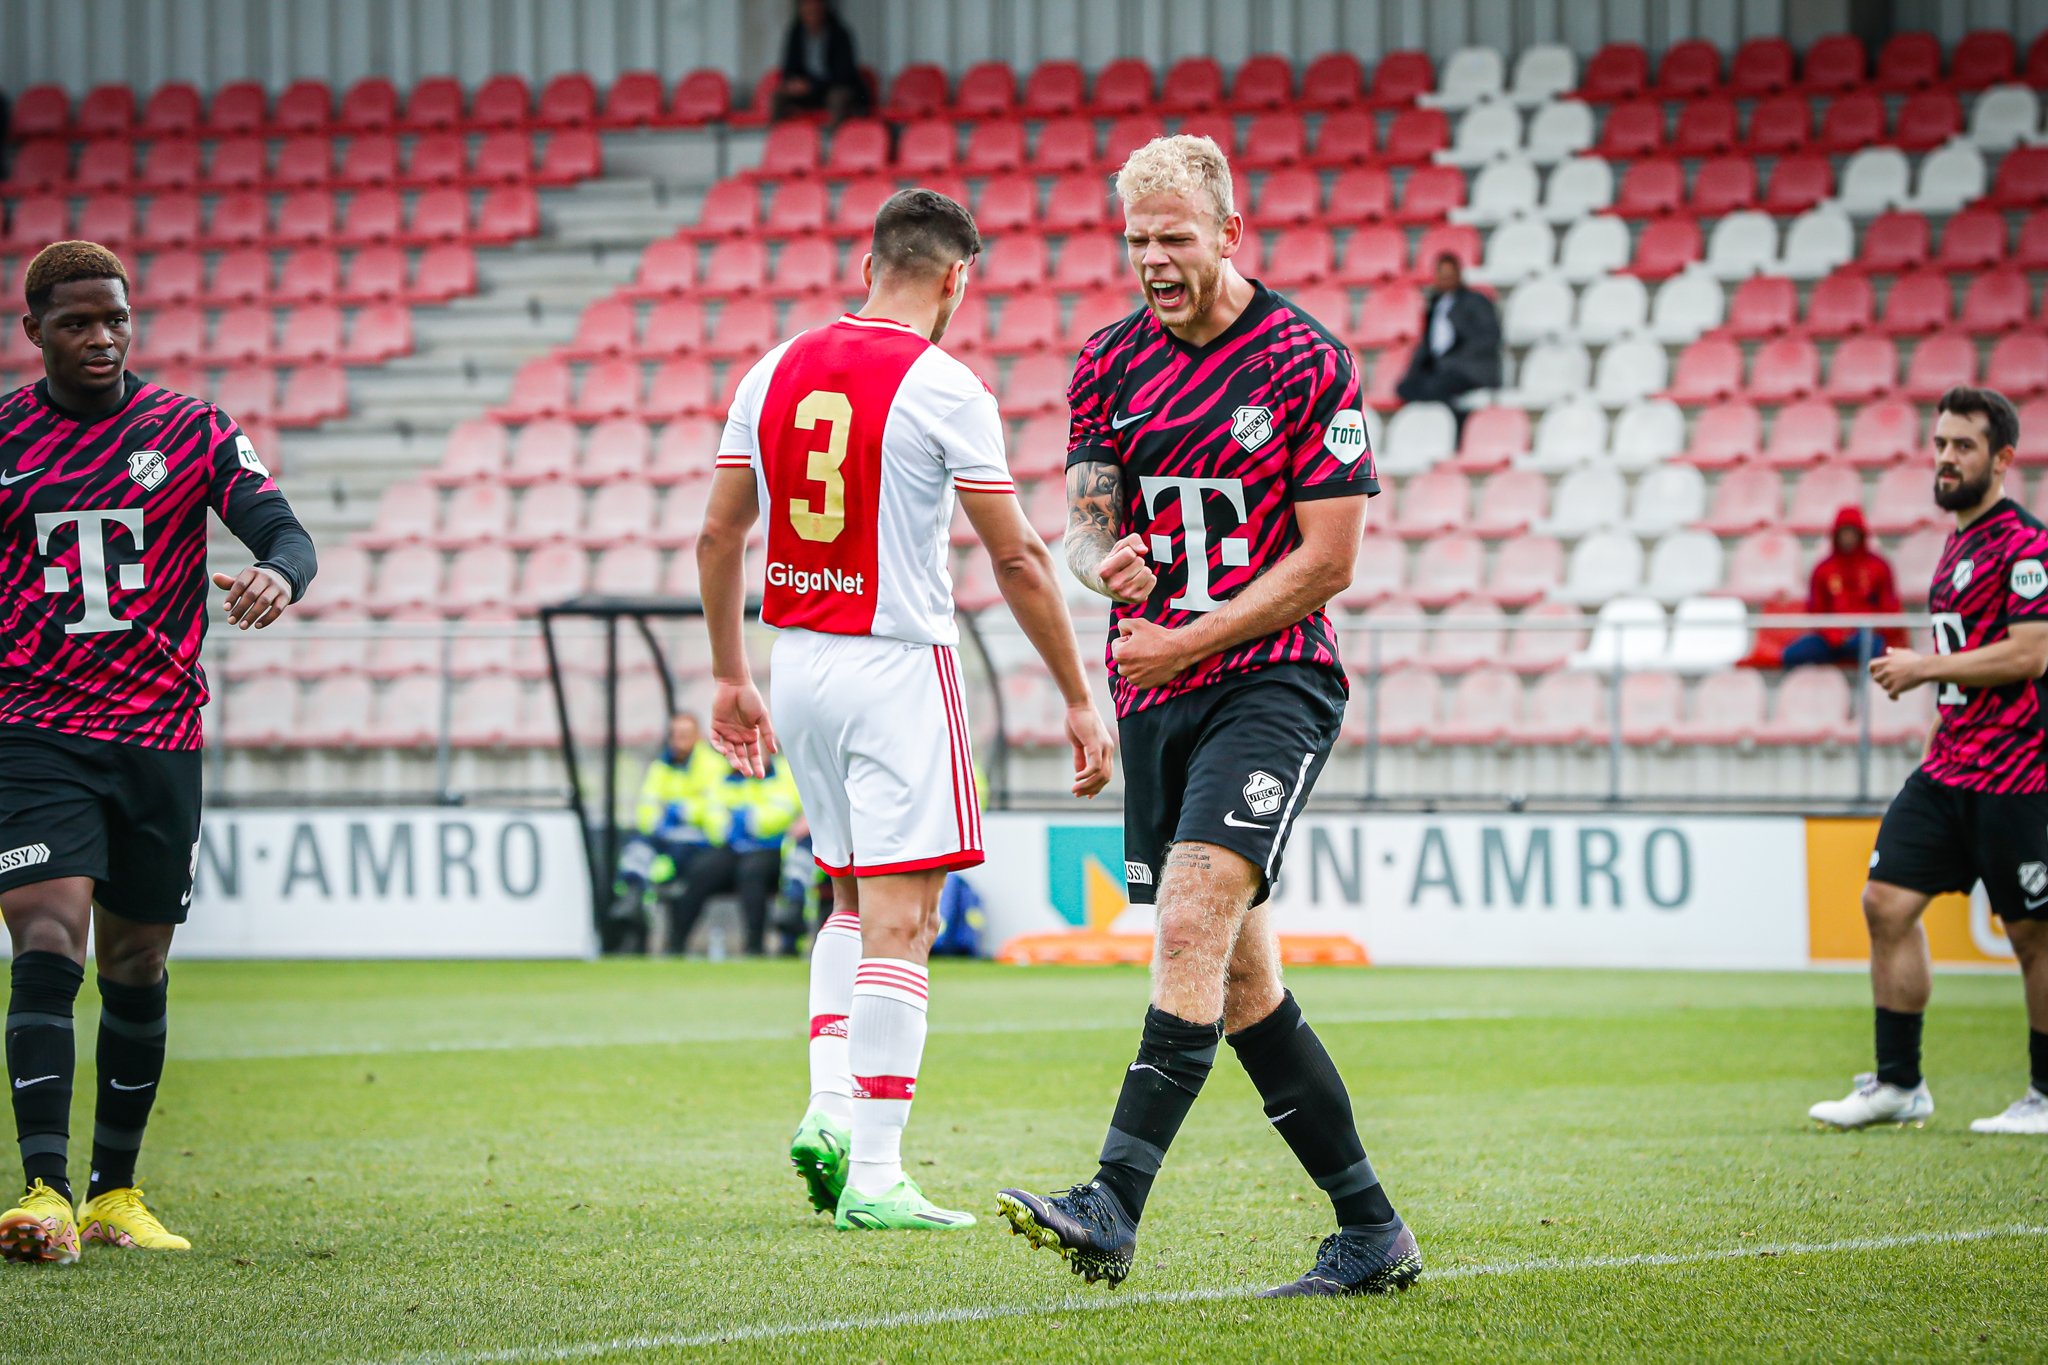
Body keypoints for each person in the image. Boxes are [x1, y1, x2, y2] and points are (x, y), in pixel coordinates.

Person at [994, 135, 1420, 1298]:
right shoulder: (1107, 362)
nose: (1151, 260)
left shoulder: (1304, 361)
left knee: (1187, 922)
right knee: (1238, 987)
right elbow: (1084, 521)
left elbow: (1328, 561)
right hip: (1153, 691)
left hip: (1270, 681)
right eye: (1135, 240)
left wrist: (1188, 635)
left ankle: (1111, 1201)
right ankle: (1370, 1231)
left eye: (1172, 237)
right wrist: (1101, 562)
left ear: (1228, 234)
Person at [698, 188, 1113, 1232]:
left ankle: (829, 1107)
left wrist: (729, 675)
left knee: (847, 896)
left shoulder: (771, 369)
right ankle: (875, 1170)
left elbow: (717, 535)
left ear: (868, 263)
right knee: (906, 918)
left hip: (798, 661)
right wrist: (1077, 695)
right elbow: (1016, 557)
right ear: (956, 278)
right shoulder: (945, 385)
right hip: (895, 665)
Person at [0, 241, 316, 1263]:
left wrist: (277, 574)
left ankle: (115, 1194)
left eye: (116, 319)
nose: (102, 338)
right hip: (34, 729)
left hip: (159, 736)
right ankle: (44, 1192)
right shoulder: (4, 438)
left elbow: (287, 533)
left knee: (137, 960)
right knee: (49, 934)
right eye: (77, 322)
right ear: (34, 331)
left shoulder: (191, 428)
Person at [1810, 386, 2048, 1137]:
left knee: (2033, 935)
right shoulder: (1956, 547)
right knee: (1885, 903)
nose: (1946, 458)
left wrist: (1923, 670)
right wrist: (1935, 726)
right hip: (1949, 766)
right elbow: (1964, 659)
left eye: (1963, 446)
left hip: (2019, 769)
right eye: (1941, 443)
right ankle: (1899, 1083)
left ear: (2002, 458)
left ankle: (2045, 1094)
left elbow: (2030, 653)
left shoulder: (2027, 545)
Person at [605, 711, 729, 954]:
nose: (679, 740)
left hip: (698, 842)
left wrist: (681, 811)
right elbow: (646, 810)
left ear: (698, 736)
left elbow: (716, 810)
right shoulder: (660, 767)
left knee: (668, 868)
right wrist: (662, 820)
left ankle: (646, 917)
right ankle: (632, 904)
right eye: (675, 734)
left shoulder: (713, 765)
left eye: (685, 734)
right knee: (636, 850)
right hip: (663, 837)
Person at [662, 755, 801, 955]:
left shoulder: (783, 772)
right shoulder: (723, 775)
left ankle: (754, 946)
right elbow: (712, 814)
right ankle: (675, 944)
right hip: (732, 846)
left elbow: (783, 813)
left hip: (771, 848)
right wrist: (729, 828)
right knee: (701, 870)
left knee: (751, 872)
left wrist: (745, 819)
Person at [1781, 506, 1906, 670]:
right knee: (1792, 654)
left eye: (1852, 532)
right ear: (1836, 534)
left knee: (1874, 650)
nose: (1848, 537)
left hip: (1866, 636)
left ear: (1861, 534)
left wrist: (1870, 629)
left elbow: (1889, 608)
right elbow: (1815, 610)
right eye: (1843, 532)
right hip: (1830, 638)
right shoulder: (1823, 569)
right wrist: (1833, 634)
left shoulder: (1878, 566)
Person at [1394, 251, 1501, 410]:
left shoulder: (1476, 301)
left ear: (1458, 275)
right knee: (1405, 388)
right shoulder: (1435, 305)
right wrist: (1412, 375)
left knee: (1434, 387)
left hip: (1469, 370)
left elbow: (1490, 337)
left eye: (1449, 275)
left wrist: (1455, 358)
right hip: (1441, 371)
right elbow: (1427, 345)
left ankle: (1457, 417)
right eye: (1442, 275)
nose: (1446, 279)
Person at [772, 0, 866, 128]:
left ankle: (836, 138)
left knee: (837, 98)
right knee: (779, 96)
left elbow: (843, 75)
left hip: (832, 87)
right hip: (808, 91)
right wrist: (793, 84)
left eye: (814, 11)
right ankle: (778, 136)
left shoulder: (839, 34)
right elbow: (788, 68)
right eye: (807, 11)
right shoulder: (796, 34)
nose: (811, 16)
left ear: (823, 10)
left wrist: (812, 85)